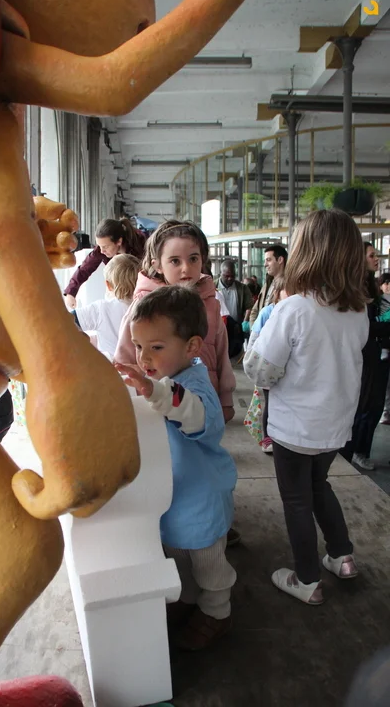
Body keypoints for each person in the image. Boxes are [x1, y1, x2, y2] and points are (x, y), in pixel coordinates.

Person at [244, 210, 369, 605]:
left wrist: (258, 334)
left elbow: (260, 370)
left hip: (295, 429)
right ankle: (342, 556)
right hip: (335, 426)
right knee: (319, 486)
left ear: (304, 252)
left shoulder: (294, 308)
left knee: (296, 499)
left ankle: (308, 579)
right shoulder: (358, 310)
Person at [115, 285, 237, 651]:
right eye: (138, 346)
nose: (144, 357)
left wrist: (154, 392)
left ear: (192, 347)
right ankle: (188, 598)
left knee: (208, 564)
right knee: (178, 557)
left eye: (156, 347)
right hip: (173, 496)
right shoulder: (163, 382)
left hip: (200, 499)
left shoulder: (195, 387)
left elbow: (192, 414)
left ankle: (217, 611)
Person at [115, 220, 236, 423]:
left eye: (193, 259)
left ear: (203, 259)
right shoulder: (144, 306)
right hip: (156, 408)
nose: (186, 268)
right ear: (157, 265)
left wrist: (225, 399)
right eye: (175, 261)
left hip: (203, 404)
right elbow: (125, 359)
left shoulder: (211, 304)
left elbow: (221, 353)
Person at [341, 243, 390, 470]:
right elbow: (364, 326)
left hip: (377, 354)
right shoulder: (354, 289)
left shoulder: (371, 287)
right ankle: (354, 451)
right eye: (371, 255)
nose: (376, 259)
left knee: (374, 407)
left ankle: (361, 450)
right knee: (363, 407)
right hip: (365, 356)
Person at [63, 217, 146, 308]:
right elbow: (84, 269)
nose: (102, 251)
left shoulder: (141, 245)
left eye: (105, 247)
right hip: (117, 290)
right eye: (99, 246)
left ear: (119, 241)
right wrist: (70, 293)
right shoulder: (101, 250)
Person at [70, 254, 140, 359]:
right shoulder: (146, 306)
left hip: (108, 365)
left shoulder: (101, 308)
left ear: (108, 285)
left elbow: (67, 320)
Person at [246, 276, 286, 454]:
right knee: (270, 402)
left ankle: (280, 437)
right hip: (268, 368)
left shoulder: (295, 312)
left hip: (286, 370)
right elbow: (254, 340)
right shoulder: (267, 312)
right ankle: (268, 438)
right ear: (277, 293)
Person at [215, 260, 254, 358]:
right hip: (218, 330)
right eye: (226, 276)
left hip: (236, 329)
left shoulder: (242, 288)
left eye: (232, 276)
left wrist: (245, 321)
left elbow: (249, 306)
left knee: (235, 355)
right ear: (220, 274)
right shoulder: (212, 287)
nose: (230, 278)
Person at [249, 245, 287, 326]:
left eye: (268, 260)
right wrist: (254, 329)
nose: (265, 264)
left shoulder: (288, 285)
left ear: (280, 260)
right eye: (265, 261)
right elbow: (255, 310)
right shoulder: (267, 283)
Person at [379, 273, 390, 425]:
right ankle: (386, 412)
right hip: (384, 347)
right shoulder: (378, 302)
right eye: (385, 283)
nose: (388, 286)